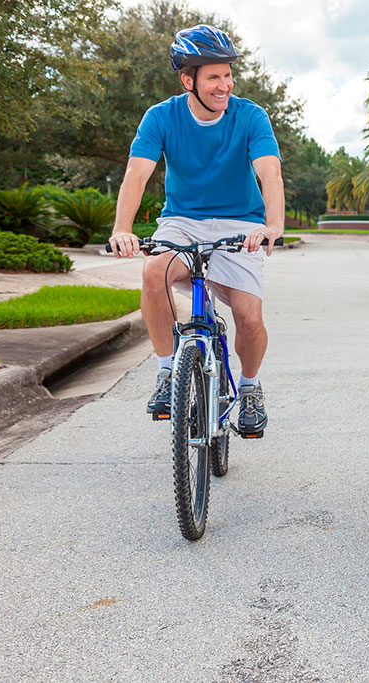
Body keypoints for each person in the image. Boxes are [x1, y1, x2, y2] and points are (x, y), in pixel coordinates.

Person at [108, 24, 284, 436]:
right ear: (189, 80)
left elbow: (270, 173)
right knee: (154, 273)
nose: (225, 85)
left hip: (241, 223)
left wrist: (273, 224)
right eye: (213, 77)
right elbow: (136, 175)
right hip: (181, 221)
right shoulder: (161, 117)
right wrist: (122, 228)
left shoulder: (251, 116)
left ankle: (250, 387)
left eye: (228, 75)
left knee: (249, 317)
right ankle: (168, 372)